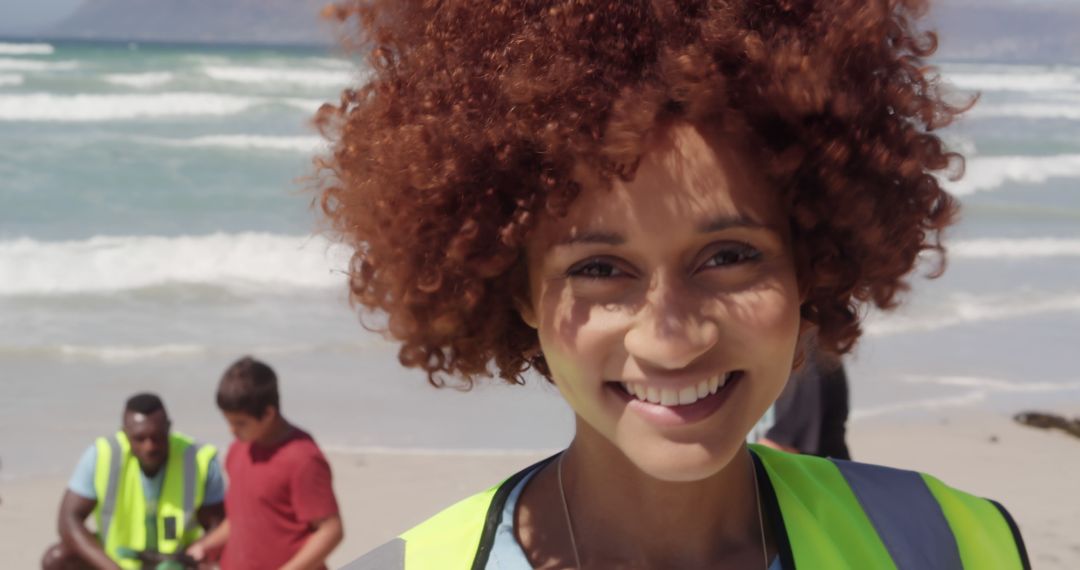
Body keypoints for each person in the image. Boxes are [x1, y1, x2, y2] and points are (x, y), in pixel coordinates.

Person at [315, 1, 1030, 568]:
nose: (670, 337)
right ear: (518, 292)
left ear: (808, 261)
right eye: (599, 269)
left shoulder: (953, 546)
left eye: (728, 256)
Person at [186, 356, 343, 570]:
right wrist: (206, 545)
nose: (232, 430)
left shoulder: (302, 458)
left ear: (269, 413)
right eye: (228, 421)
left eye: (240, 423)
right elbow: (238, 520)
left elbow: (331, 530)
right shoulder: (238, 449)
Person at [42, 393, 224, 570]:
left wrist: (194, 554)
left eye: (156, 437)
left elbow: (218, 525)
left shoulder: (199, 460)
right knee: (57, 559)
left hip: (177, 560)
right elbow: (68, 521)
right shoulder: (101, 456)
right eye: (140, 438)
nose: (149, 446)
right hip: (117, 560)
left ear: (168, 428)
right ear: (125, 433)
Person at [757, 333, 852, 459]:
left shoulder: (807, 358)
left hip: (818, 473)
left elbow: (779, 445)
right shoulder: (814, 348)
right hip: (828, 470)